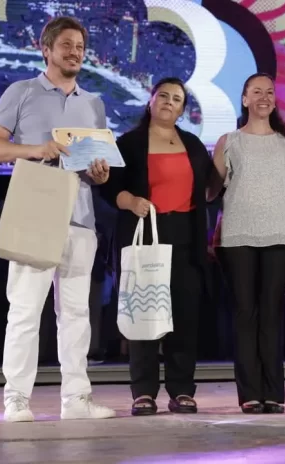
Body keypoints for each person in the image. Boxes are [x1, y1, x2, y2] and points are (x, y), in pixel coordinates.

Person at [0, 16, 114, 422]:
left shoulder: (93, 103)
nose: (75, 52)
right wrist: (36, 150)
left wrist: (100, 174)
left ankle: (76, 399)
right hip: (35, 212)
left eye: (80, 47)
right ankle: (17, 399)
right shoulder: (22, 91)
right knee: (25, 311)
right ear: (46, 49)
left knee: (76, 315)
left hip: (81, 217)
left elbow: (97, 162)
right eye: (67, 45)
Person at [103, 77, 215, 416]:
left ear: (182, 110)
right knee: (144, 314)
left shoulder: (193, 145)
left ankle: (182, 391)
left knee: (184, 316)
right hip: (145, 234)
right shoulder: (129, 143)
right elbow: (109, 187)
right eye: (163, 95)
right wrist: (131, 201)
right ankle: (143, 392)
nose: (169, 102)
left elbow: (209, 189)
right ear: (150, 101)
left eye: (176, 99)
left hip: (186, 237)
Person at [211, 73, 285, 414]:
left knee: (271, 314)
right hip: (238, 237)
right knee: (245, 314)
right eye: (256, 92)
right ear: (245, 99)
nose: (264, 97)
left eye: (269, 92)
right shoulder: (229, 141)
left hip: (279, 235)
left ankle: (273, 393)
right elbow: (211, 190)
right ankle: (250, 393)